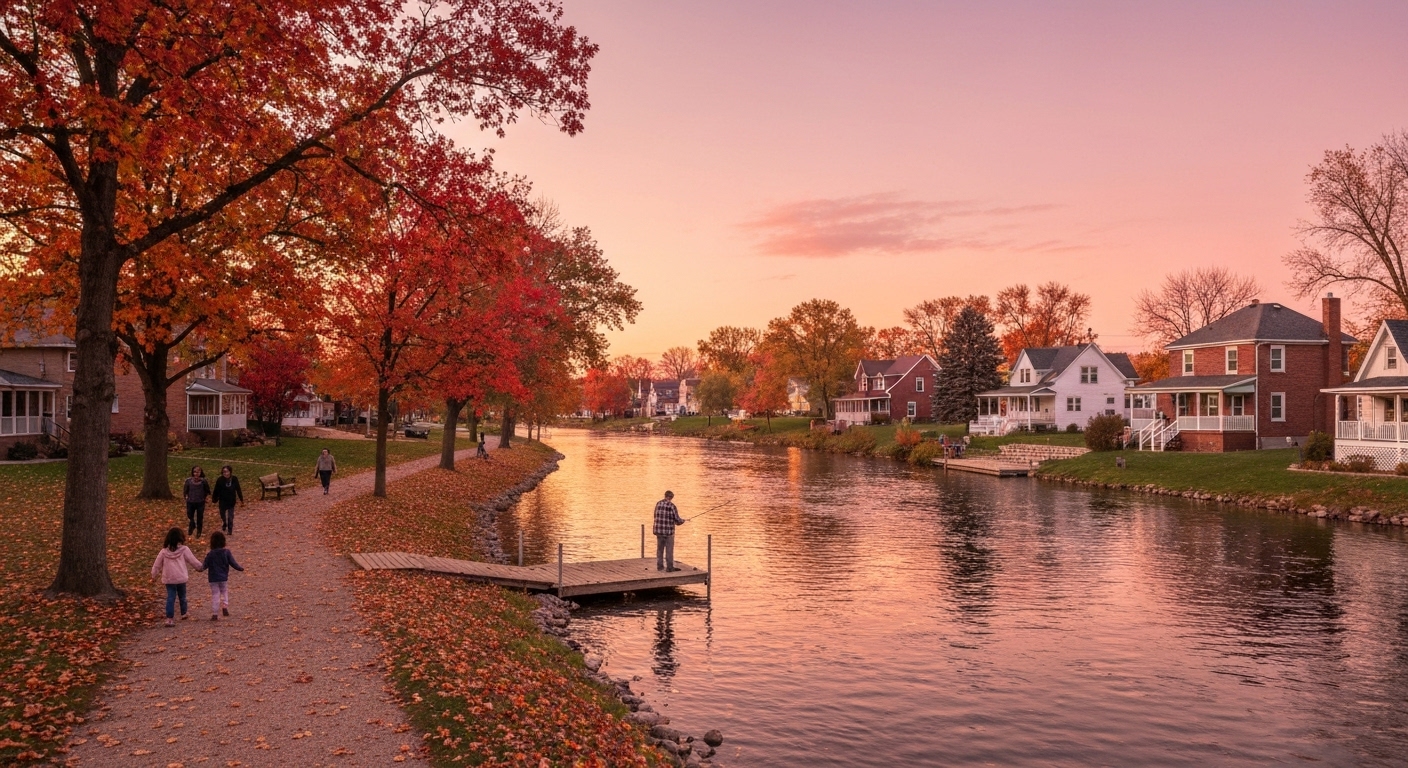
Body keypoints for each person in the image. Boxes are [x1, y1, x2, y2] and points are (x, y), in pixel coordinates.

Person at [150, 527, 202, 626]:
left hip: (169, 579)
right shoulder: (184, 550)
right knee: (182, 596)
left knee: (170, 597)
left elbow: (157, 564)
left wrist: (153, 575)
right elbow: (193, 560)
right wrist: (200, 567)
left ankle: (169, 618)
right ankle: (184, 612)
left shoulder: (164, 552)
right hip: (181, 578)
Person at [201, 531, 244, 621]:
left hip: (213, 578)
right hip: (223, 577)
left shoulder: (210, 554)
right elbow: (233, 563)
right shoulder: (226, 552)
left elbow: (204, 565)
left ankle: (215, 613)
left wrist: (199, 568)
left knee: (215, 594)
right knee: (224, 591)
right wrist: (240, 568)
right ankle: (225, 605)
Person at [653, 490, 686, 572]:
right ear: (671, 497)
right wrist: (683, 521)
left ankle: (660, 566)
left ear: (665, 496)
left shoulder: (658, 504)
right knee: (669, 550)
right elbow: (677, 520)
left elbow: (655, 515)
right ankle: (669, 567)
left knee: (660, 550)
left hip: (658, 531)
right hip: (668, 532)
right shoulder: (672, 506)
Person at [212, 465, 243, 536]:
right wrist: (214, 498)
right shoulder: (220, 480)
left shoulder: (234, 479)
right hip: (222, 500)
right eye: (224, 472)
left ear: (230, 472)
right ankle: (224, 522)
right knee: (222, 514)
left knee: (230, 516)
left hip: (231, 500)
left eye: (227, 472)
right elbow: (216, 490)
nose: (225, 473)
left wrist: (241, 499)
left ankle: (230, 529)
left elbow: (238, 489)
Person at [182, 466, 211, 537]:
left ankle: (199, 531)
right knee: (190, 515)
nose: (196, 473)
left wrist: (206, 497)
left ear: (200, 472)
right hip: (190, 502)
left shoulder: (203, 481)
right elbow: (185, 490)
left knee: (199, 517)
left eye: (198, 472)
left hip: (200, 502)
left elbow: (208, 491)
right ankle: (192, 525)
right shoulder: (188, 481)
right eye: (195, 472)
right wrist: (186, 496)